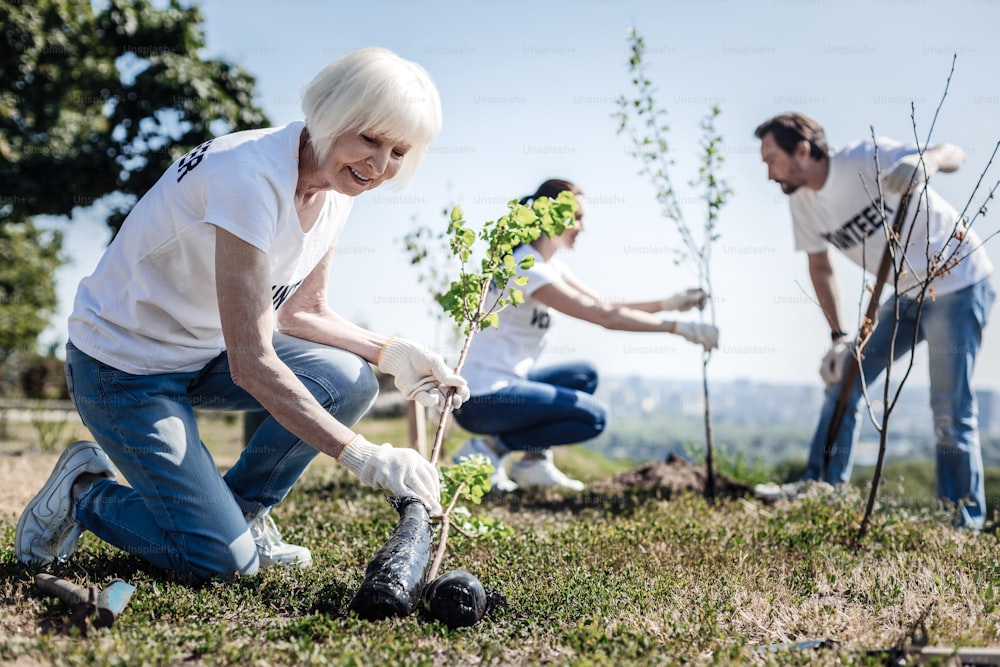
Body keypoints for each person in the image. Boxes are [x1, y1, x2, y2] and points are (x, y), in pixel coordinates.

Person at [15, 47, 469, 581]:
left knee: (349, 379)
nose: (379, 166)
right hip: (123, 370)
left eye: (398, 150)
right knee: (219, 565)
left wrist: (393, 354)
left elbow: (303, 312)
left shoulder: (335, 188)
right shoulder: (248, 178)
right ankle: (84, 492)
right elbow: (251, 363)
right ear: (329, 114)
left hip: (203, 353)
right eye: (369, 138)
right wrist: (365, 458)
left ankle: (242, 515)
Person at [752, 112, 994, 529]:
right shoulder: (803, 203)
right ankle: (820, 485)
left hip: (958, 283)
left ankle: (961, 521)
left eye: (771, 159)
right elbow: (820, 267)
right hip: (905, 294)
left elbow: (954, 152)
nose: (768, 173)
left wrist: (927, 162)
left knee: (949, 409)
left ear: (803, 150)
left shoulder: (865, 158)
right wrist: (837, 337)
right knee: (847, 374)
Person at [452, 179, 719, 492]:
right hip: (481, 402)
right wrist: (679, 329)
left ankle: (531, 464)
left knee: (583, 374)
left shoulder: (546, 264)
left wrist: (669, 304)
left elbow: (603, 305)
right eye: (576, 217)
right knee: (593, 417)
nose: (582, 227)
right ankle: (489, 448)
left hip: (505, 385)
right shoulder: (529, 269)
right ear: (551, 215)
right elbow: (604, 318)